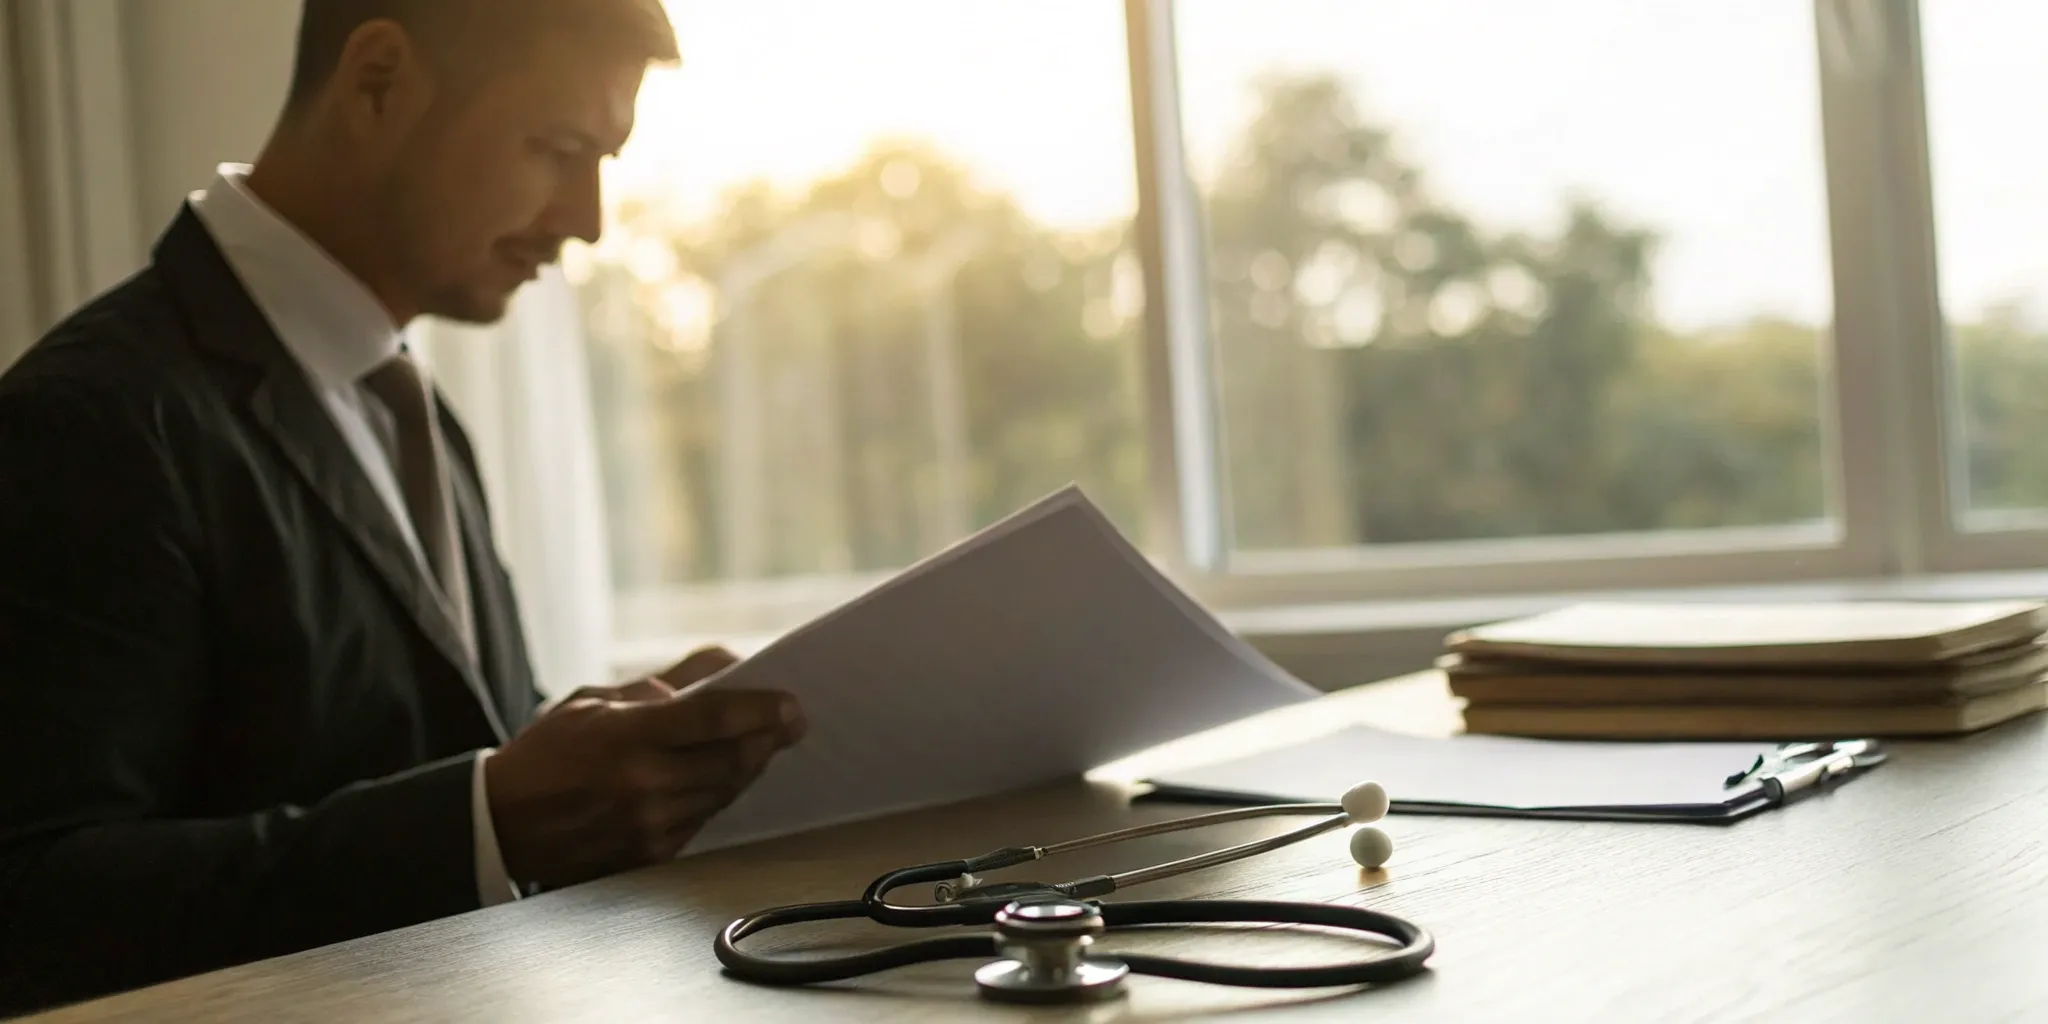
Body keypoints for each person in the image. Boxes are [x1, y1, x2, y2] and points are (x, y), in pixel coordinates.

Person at [0, 0, 807, 1014]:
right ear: (376, 80)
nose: (588, 220)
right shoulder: (90, 419)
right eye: (560, 148)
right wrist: (485, 822)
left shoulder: (413, 405)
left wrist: (612, 758)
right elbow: (31, 907)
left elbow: (401, 749)